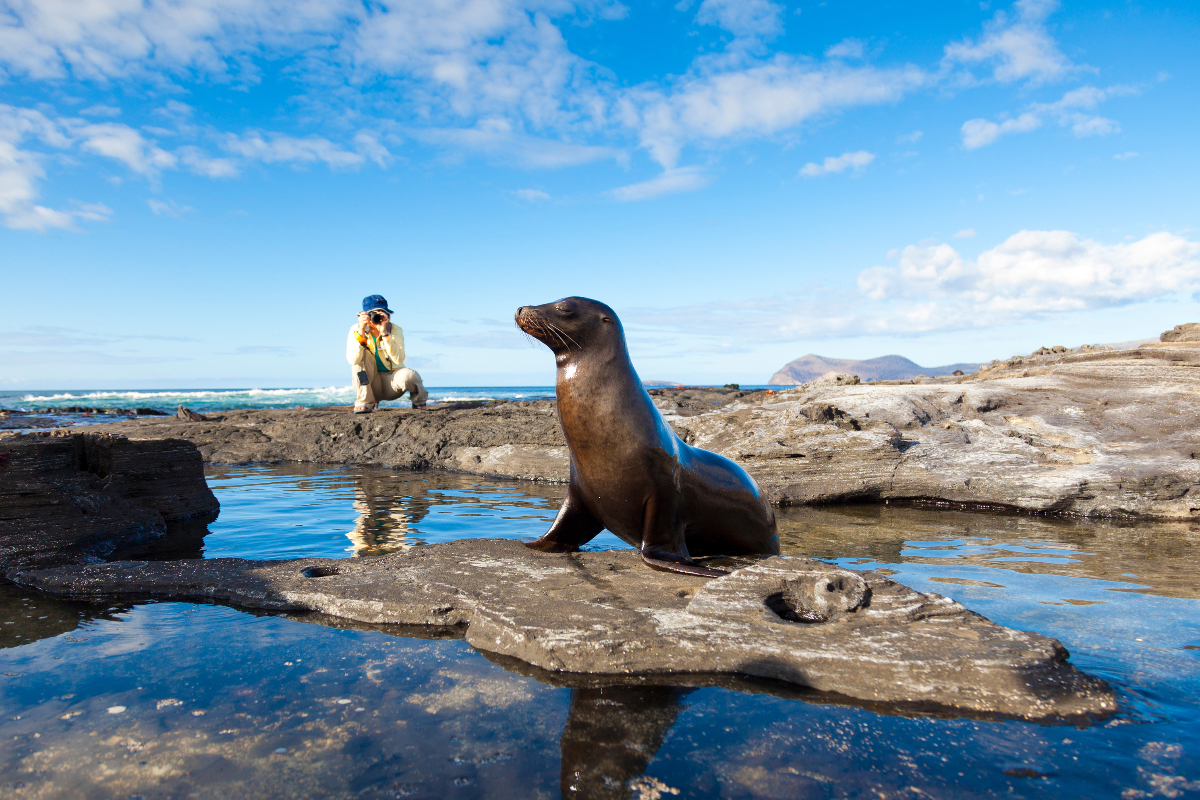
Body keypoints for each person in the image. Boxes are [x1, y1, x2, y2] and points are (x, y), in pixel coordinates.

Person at [347, 294, 428, 413]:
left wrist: (385, 333)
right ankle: (365, 402)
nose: (376, 318)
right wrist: (361, 332)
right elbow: (353, 360)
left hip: (393, 384)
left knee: (409, 375)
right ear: (363, 315)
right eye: (372, 314)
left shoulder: (394, 329)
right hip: (371, 385)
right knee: (359, 360)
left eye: (381, 314)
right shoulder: (356, 329)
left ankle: (419, 401)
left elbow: (398, 359)